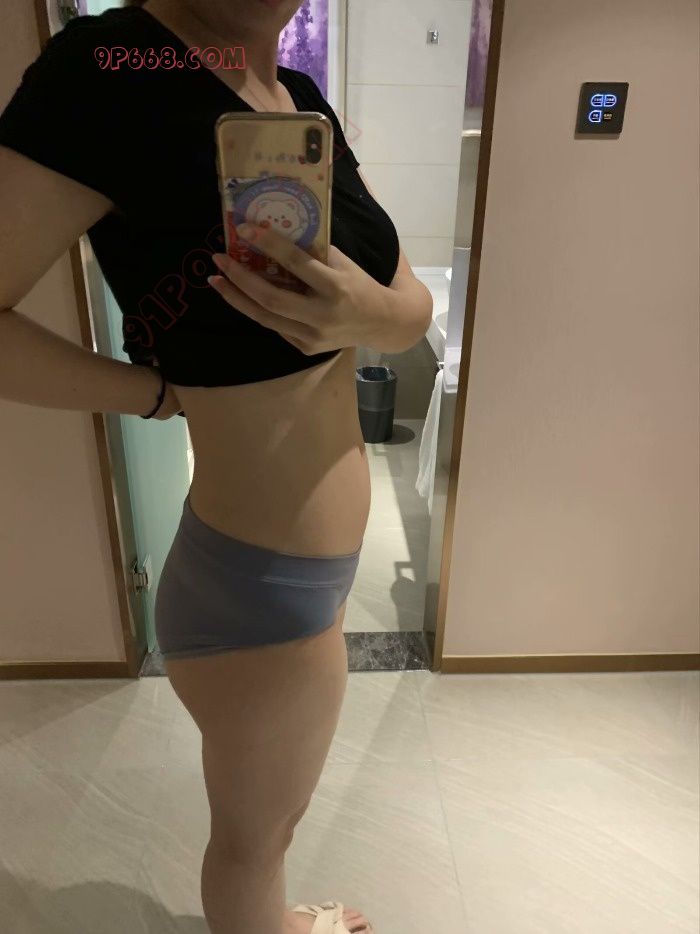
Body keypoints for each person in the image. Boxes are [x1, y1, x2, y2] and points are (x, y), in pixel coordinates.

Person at [0, 1, 433, 931]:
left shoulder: (297, 100)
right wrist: (153, 393)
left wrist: (363, 316)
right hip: (256, 595)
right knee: (253, 843)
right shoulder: (107, 69)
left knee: (267, 830)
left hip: (289, 585)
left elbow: (409, 307)